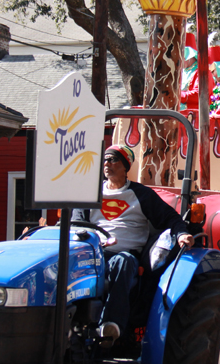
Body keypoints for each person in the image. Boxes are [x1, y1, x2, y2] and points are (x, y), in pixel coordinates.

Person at [73, 145, 194, 343]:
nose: (107, 164)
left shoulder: (142, 195)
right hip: (92, 254)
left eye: (113, 160)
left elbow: (171, 218)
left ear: (125, 166)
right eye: (105, 160)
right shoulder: (90, 194)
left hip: (123, 256)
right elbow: (74, 223)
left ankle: (111, 328)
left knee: (124, 261)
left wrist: (181, 234)